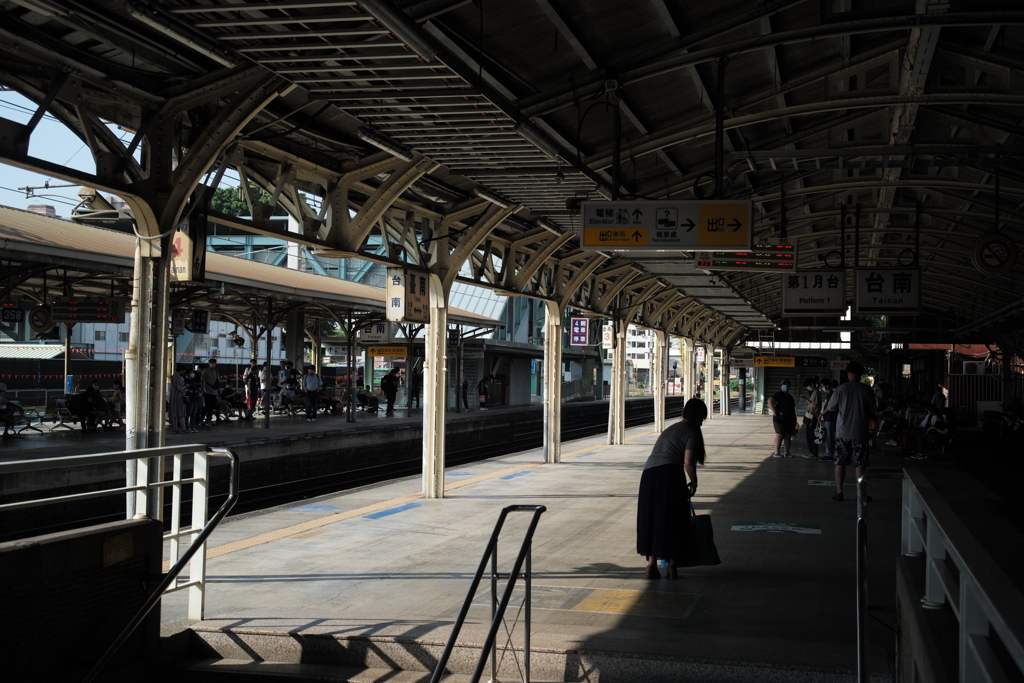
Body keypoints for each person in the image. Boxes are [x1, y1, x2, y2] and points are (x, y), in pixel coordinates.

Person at [636, 398, 708, 580]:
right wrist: (694, 482)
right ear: (700, 417)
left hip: (649, 475)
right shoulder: (691, 432)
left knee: (654, 518)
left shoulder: (672, 428)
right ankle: (672, 568)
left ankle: (651, 565)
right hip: (669, 475)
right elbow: (688, 462)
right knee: (675, 519)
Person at [822, 361, 877, 501]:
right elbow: (872, 411)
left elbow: (831, 407)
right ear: (861, 374)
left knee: (840, 463)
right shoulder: (867, 390)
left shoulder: (840, 389)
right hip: (860, 433)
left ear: (847, 373)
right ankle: (860, 494)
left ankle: (839, 492)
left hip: (842, 433)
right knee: (860, 464)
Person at [768, 379, 797, 458]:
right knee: (779, 436)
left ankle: (787, 452)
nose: (786, 386)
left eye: (788, 385)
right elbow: (770, 401)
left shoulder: (790, 397)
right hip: (780, 419)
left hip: (790, 419)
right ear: (781, 386)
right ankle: (776, 452)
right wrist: (774, 411)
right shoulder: (778, 394)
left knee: (788, 436)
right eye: (784, 385)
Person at [799, 376, 821, 459]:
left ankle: (813, 452)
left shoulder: (815, 393)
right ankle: (812, 452)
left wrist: (806, 400)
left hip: (813, 417)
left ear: (812, 384)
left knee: (811, 435)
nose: (808, 388)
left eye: (808, 386)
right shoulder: (815, 393)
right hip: (812, 416)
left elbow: (814, 405)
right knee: (810, 435)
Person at [818, 377, 836, 462]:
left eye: (822, 386)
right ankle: (828, 453)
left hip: (830, 418)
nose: (822, 388)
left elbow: (829, 407)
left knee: (829, 437)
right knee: (829, 436)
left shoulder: (832, 394)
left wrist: (821, 414)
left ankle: (829, 454)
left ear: (827, 385)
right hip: (828, 418)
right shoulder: (829, 394)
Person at [200, 358, 221, 424]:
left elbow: (217, 382)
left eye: (213, 363)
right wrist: (203, 390)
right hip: (207, 391)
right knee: (206, 406)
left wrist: (218, 390)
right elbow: (202, 381)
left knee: (211, 407)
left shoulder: (216, 372)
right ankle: (202, 418)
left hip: (214, 392)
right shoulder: (205, 371)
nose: (212, 364)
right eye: (211, 363)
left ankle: (209, 419)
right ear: (209, 364)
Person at [169, 368, 188, 434]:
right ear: (181, 371)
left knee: (175, 413)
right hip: (179, 397)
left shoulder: (173, 377)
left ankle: (175, 428)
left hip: (173, 396)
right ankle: (184, 428)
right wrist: (186, 386)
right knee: (181, 412)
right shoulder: (179, 378)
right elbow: (179, 388)